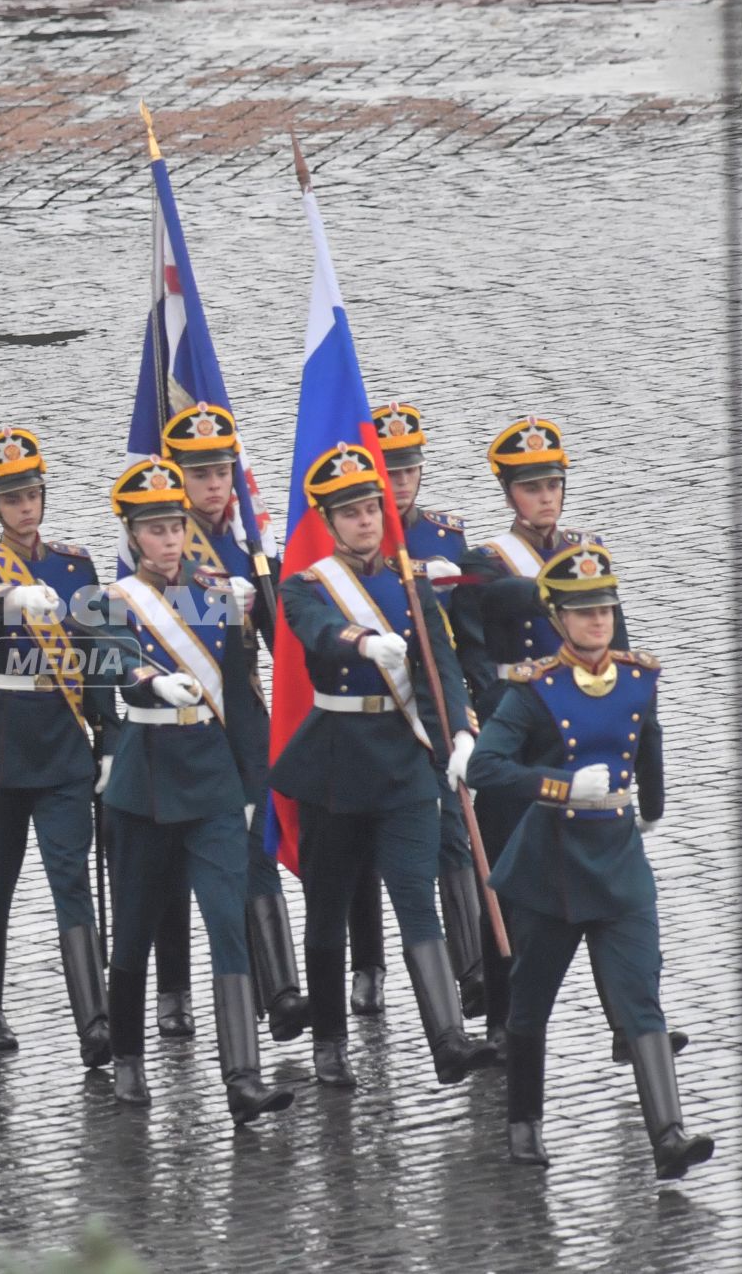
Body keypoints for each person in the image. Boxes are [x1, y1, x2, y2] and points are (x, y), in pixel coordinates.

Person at [467, 545, 713, 1179]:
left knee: (640, 997)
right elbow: (485, 767)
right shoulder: (532, 691)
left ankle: (669, 1133)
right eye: (582, 612)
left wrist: (652, 806)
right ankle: (524, 1124)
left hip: (619, 860)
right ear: (557, 618)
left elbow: (648, 739)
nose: (598, 622)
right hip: (553, 867)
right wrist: (560, 786)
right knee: (531, 1002)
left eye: (604, 609)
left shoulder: (638, 677)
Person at [270, 443, 494, 1089]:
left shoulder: (411, 580)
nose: (367, 520)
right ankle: (330, 1046)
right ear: (329, 520)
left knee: (417, 901)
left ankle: (448, 1039)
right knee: (329, 910)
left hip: (403, 761)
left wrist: (456, 734)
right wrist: (363, 641)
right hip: (336, 765)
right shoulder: (304, 585)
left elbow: (439, 667)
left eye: (372, 508)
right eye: (352, 512)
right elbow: (313, 629)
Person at [98, 457, 297, 1122]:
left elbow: (239, 701)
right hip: (146, 789)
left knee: (227, 924)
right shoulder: (113, 603)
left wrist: (251, 785)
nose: (168, 541)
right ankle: (127, 1058)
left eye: (175, 527)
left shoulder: (217, 597)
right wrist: (149, 682)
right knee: (132, 937)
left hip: (212, 786)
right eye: (154, 531)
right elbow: (112, 662)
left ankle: (242, 1077)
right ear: (131, 538)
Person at [0, 427, 112, 1067]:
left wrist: (109, 737)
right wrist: (15, 596)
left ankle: (94, 1020)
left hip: (64, 744)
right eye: (11, 500)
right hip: (2, 746)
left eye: (31, 494)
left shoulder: (75, 563)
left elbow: (96, 652)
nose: (25, 508)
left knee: (72, 882)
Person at [454, 418, 630, 1055]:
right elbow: (475, 649)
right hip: (522, 730)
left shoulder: (588, 550)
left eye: (552, 484)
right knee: (507, 878)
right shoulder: (483, 561)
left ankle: (625, 1021)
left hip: (581, 732)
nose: (545, 497)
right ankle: (503, 1018)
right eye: (531, 487)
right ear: (509, 495)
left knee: (605, 878)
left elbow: (619, 643)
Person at [148, 403, 311, 1045]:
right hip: (177, 715)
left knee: (254, 831)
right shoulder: (155, 537)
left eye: (221, 472)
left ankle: (281, 987)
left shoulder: (250, 546)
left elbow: (280, 643)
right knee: (168, 855)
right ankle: (172, 992)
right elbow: (132, 619)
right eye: (200, 473)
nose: (214, 485)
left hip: (240, 712)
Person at [345, 402, 482, 1020]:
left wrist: (468, 711)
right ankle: (367, 967)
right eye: (388, 470)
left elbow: (468, 636)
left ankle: (472, 966)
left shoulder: (446, 537)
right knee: (364, 846)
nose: (400, 482)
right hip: (367, 714)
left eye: (409, 470)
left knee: (455, 828)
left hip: (432, 704)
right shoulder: (342, 544)